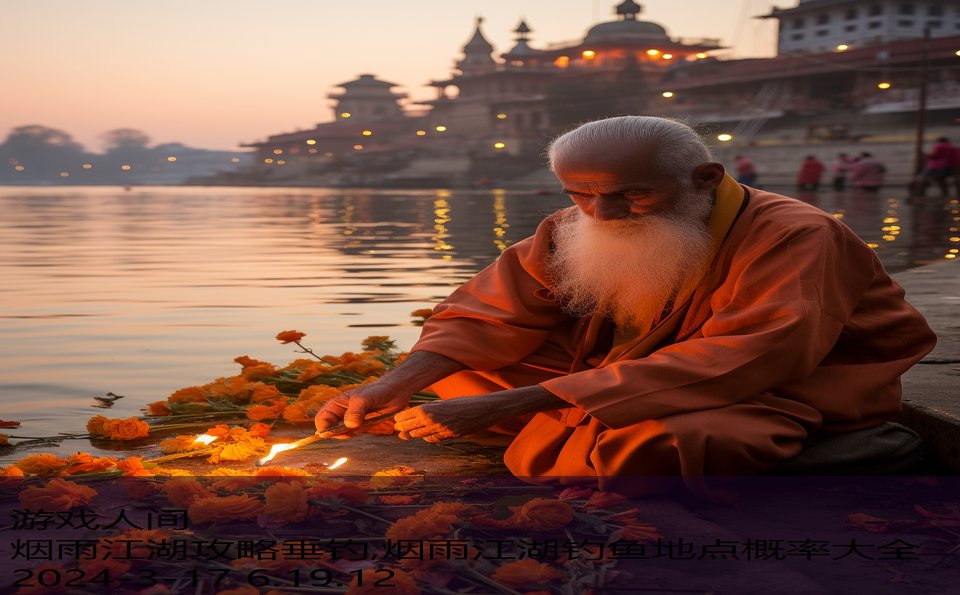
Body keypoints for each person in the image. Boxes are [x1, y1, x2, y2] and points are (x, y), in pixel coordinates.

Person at [314, 116, 936, 496]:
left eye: (628, 196)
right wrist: (394, 384)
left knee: (645, 449)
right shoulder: (574, 222)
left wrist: (534, 399)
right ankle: (581, 420)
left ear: (704, 179)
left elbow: (755, 357)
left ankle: (854, 448)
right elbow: (490, 312)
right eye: (579, 194)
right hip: (631, 375)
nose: (600, 215)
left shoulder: (796, 234)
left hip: (780, 387)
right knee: (462, 380)